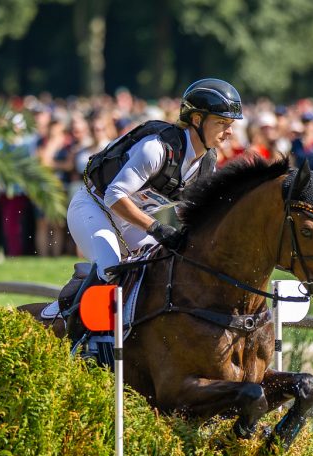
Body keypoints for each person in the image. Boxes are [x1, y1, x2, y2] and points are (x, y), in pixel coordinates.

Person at [40, 78, 242, 322]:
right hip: (93, 207)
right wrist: (156, 228)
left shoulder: (207, 164)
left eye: (230, 124)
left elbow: (190, 213)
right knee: (110, 266)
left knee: (166, 266)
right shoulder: (156, 148)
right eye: (221, 122)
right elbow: (114, 196)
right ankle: (65, 318)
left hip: (130, 220)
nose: (230, 131)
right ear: (197, 119)